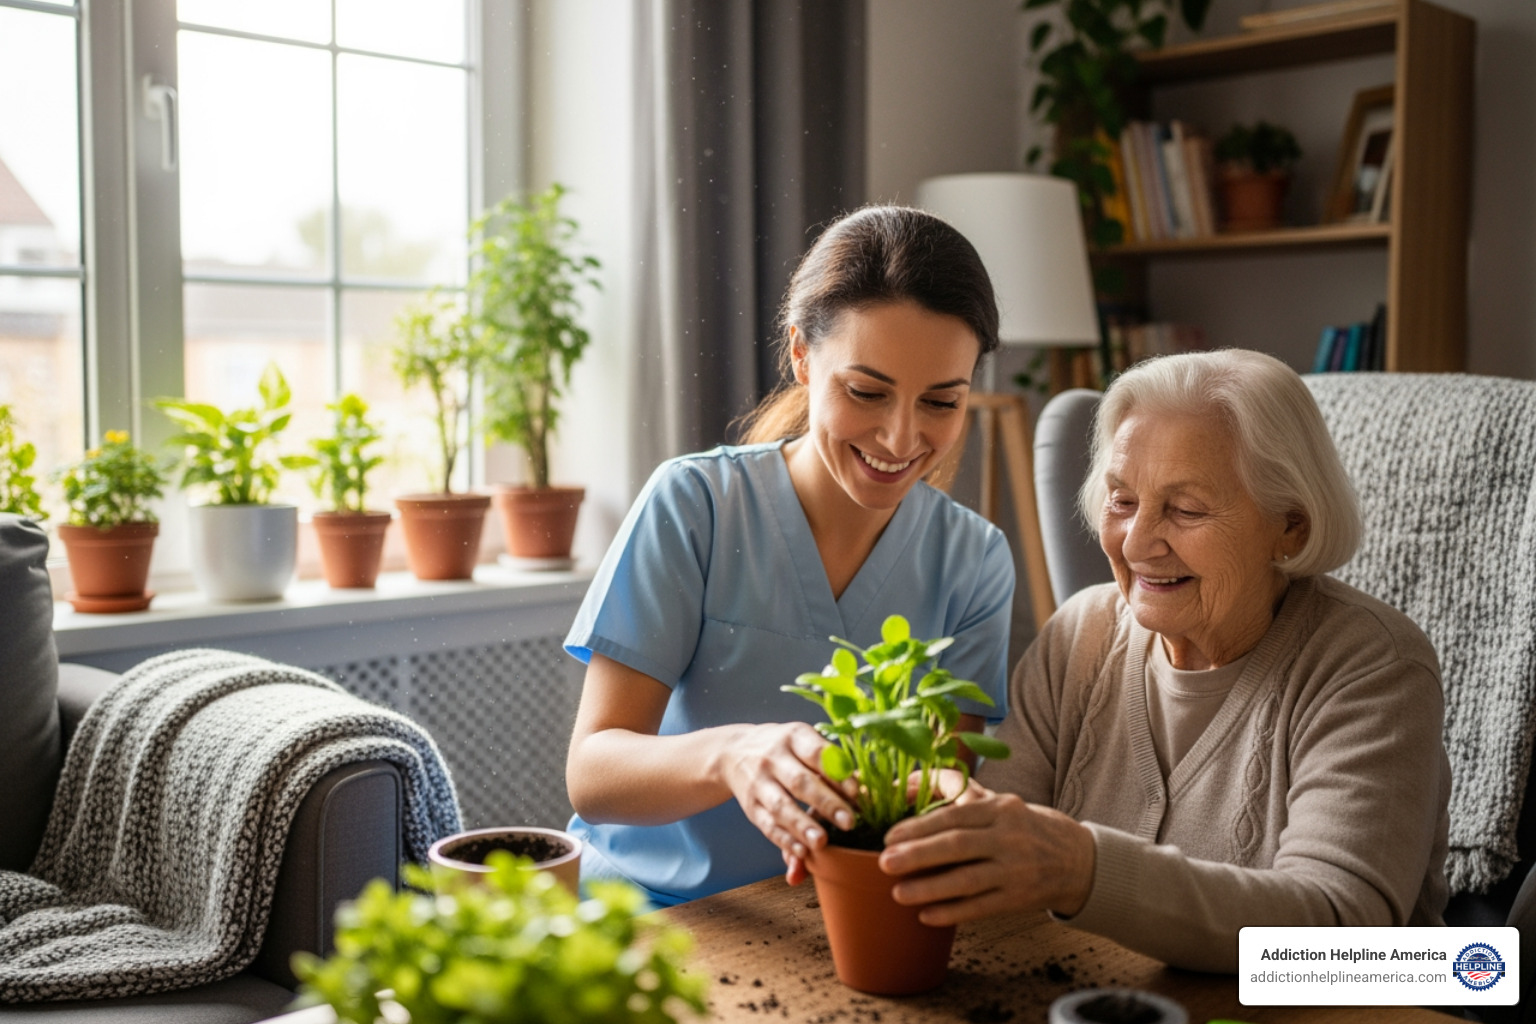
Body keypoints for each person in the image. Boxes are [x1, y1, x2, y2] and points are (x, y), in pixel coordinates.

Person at [873, 349, 1450, 972]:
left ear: (1291, 527)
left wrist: (1082, 870)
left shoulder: (1373, 667)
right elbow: (994, 866)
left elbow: (1340, 944)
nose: (1138, 541)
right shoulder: (1081, 635)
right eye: (1122, 501)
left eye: (1186, 509)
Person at [562, 206, 1016, 907]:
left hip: (840, 918)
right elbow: (593, 774)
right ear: (802, 357)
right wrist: (732, 754)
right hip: (645, 913)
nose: (901, 439)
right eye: (866, 392)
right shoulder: (696, 505)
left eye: (941, 402)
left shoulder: (975, 560)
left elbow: (939, 796)